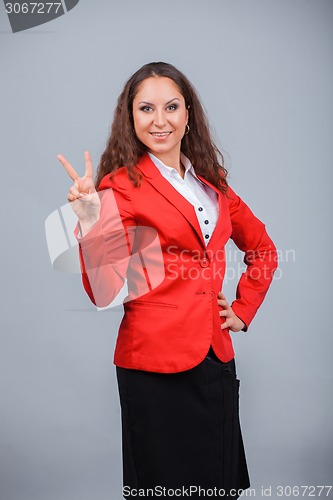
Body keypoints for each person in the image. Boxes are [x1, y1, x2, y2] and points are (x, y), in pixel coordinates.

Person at [57, 62, 278, 498]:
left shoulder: (214, 185)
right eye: (146, 108)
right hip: (154, 364)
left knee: (217, 485)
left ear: (188, 113)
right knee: (164, 487)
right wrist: (89, 218)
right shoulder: (118, 186)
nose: (160, 120)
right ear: (131, 117)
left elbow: (264, 250)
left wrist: (243, 308)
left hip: (215, 356)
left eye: (172, 107)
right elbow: (105, 289)